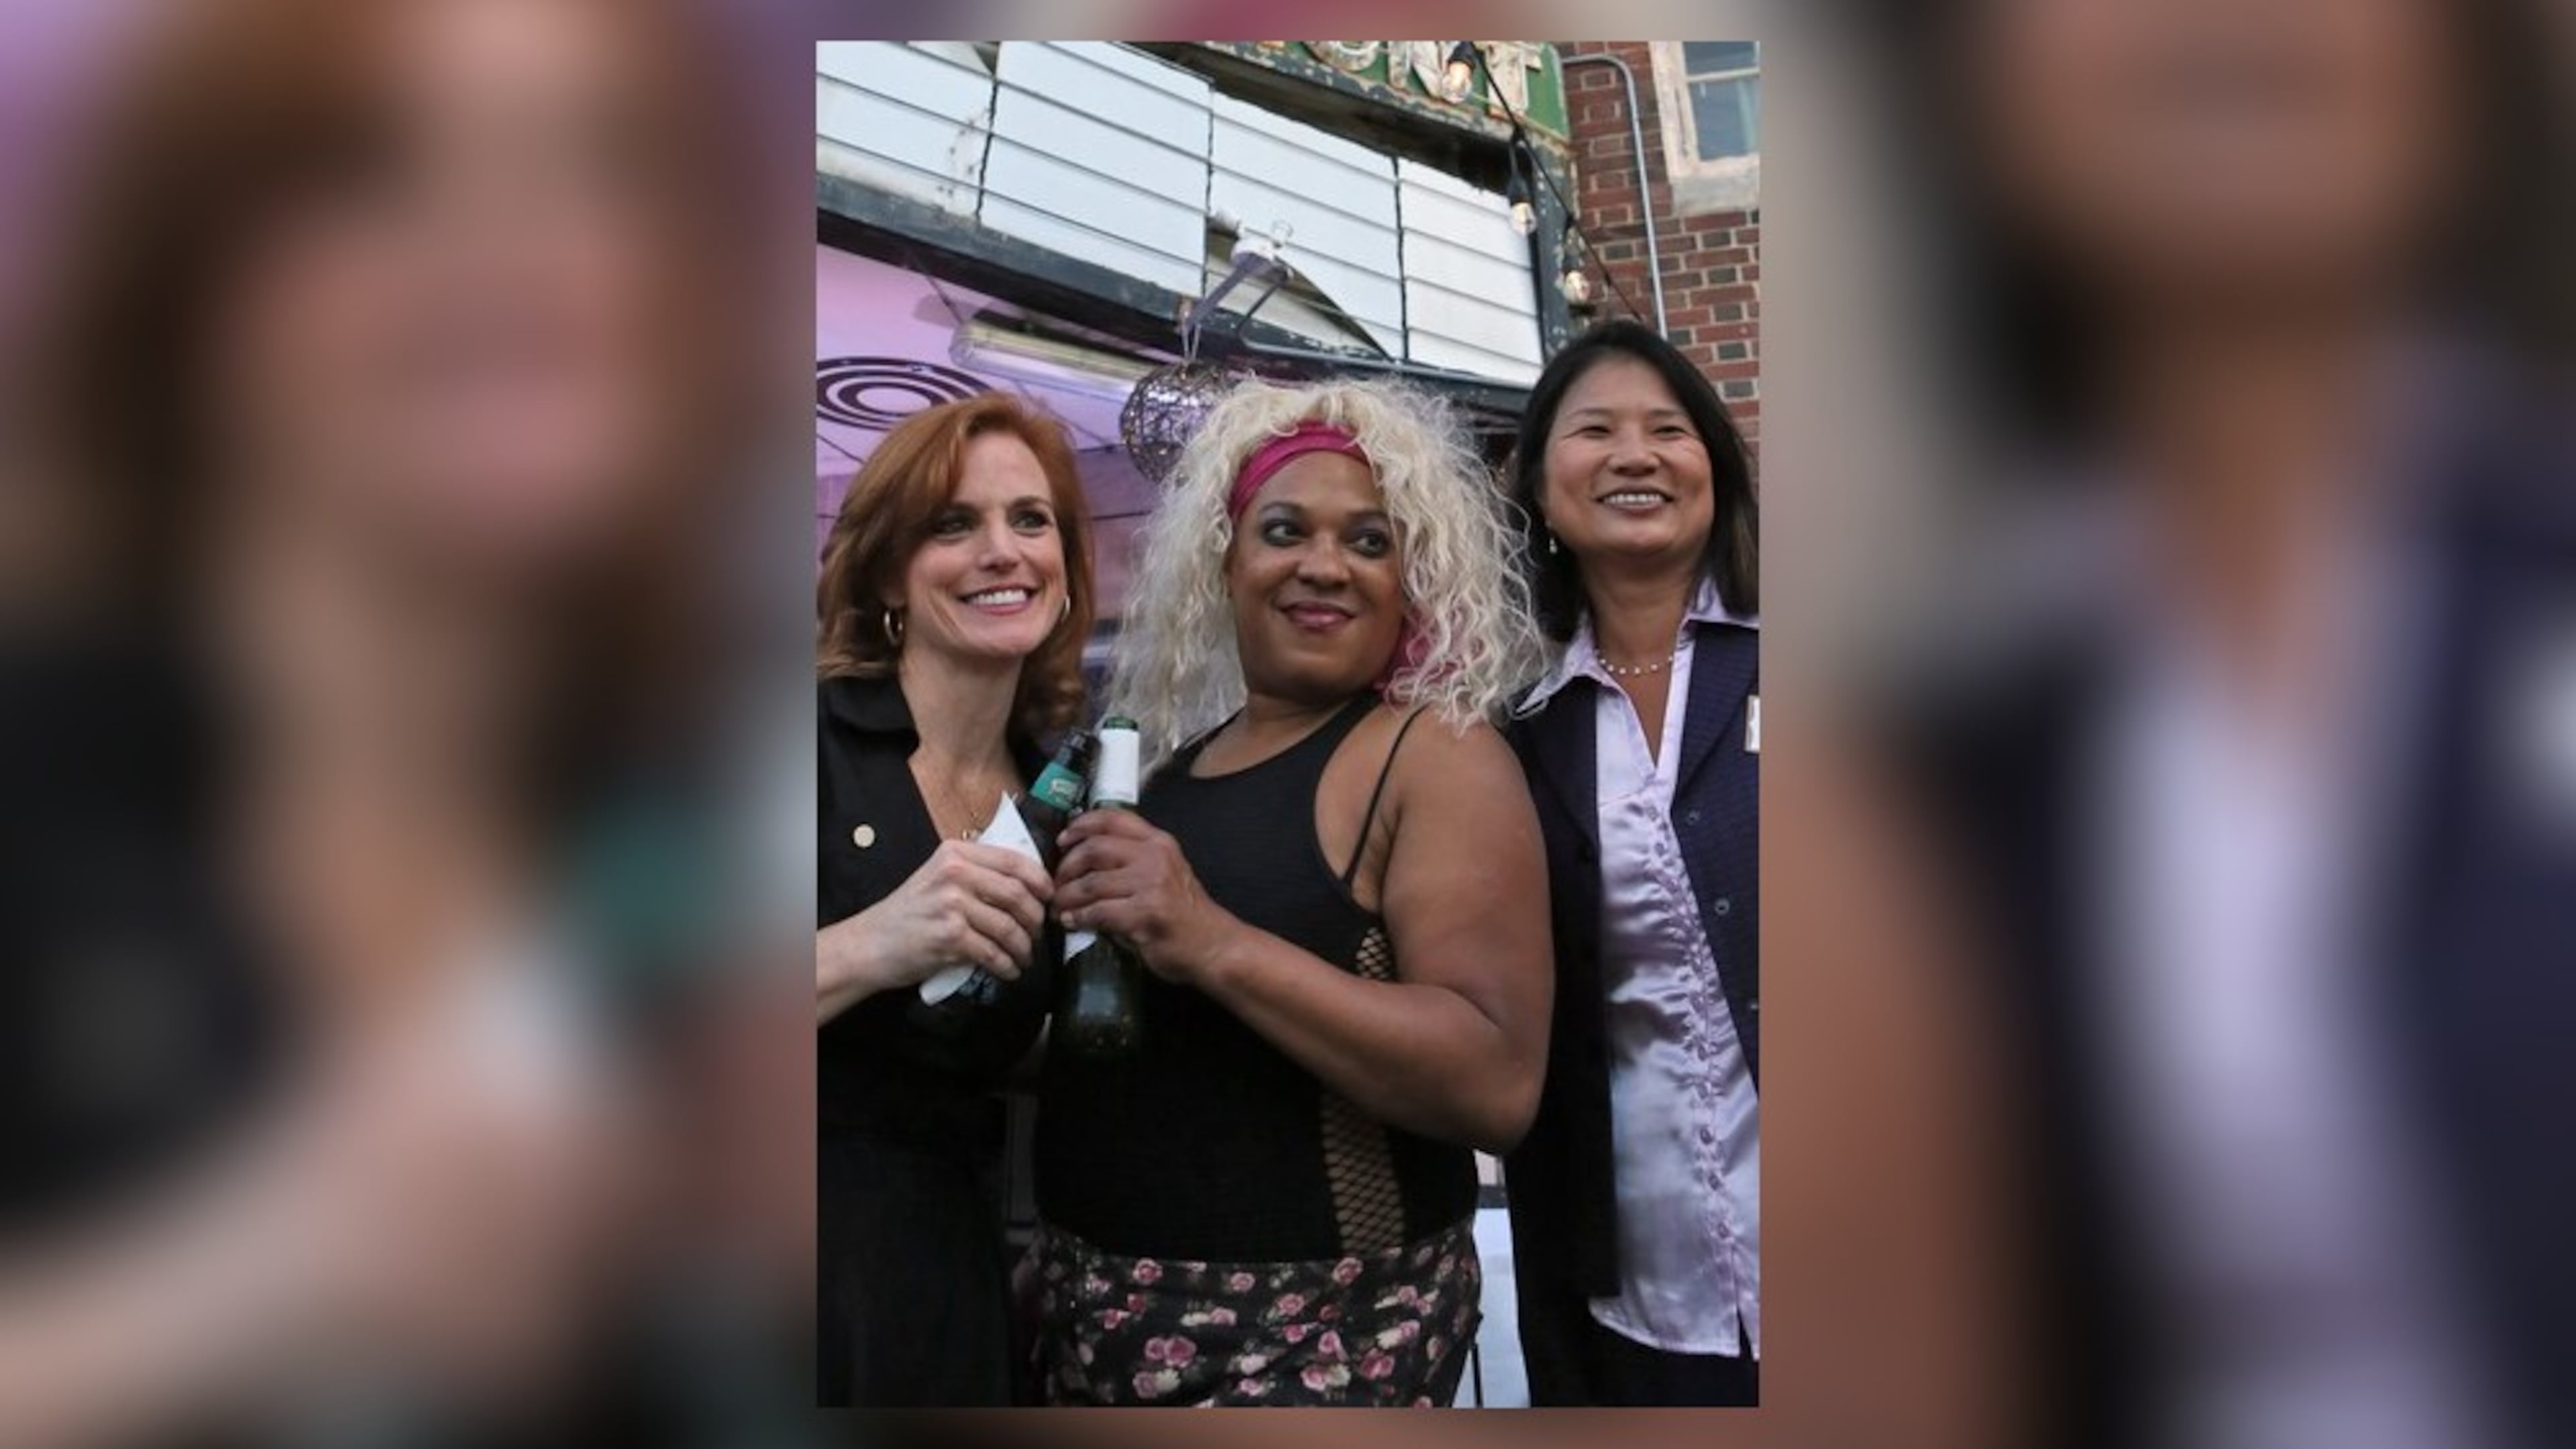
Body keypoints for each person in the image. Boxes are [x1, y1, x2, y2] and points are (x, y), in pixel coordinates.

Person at [1027, 378, 1552, 1407]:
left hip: (1313, 1342)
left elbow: (1494, 1082)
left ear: (1411, 580)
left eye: (1369, 541)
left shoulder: (1433, 753)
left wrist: (1210, 940)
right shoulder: (1174, 772)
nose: (1325, 566)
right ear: (1225, 560)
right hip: (1092, 1324)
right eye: (1284, 530)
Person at [813, 391, 1097, 1406]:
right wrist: (869, 944)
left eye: (1031, 521)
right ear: (891, 569)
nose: (1002, 551)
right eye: (953, 525)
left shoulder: (1062, 801)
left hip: (937, 1284)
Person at [1499, 319, 1762, 1406]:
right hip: (1636, 1281)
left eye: (1668, 429)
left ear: (1714, 466)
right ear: (1542, 489)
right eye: (1595, 430)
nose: (1635, 455)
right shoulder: (1510, 726)